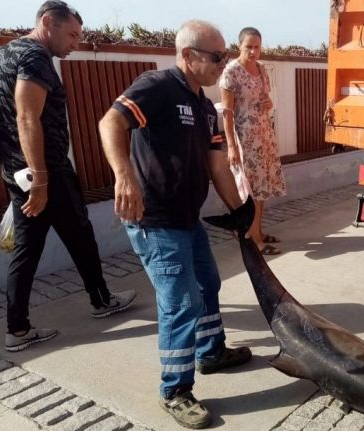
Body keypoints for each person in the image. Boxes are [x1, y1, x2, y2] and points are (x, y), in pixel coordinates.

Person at [98, 20, 254, 430]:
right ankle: (175, 390)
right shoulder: (156, 87)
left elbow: (216, 163)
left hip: (188, 219)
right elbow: (110, 122)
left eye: (225, 55)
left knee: (208, 286)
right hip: (157, 220)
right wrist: (123, 175)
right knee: (181, 304)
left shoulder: (204, 106)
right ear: (188, 56)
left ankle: (211, 353)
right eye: (218, 56)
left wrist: (239, 209)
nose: (224, 63)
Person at [0, 0, 136, 353]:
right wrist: (41, 179)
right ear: (48, 23)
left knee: (33, 246)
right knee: (79, 234)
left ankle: (18, 329)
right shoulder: (35, 58)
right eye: (71, 34)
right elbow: (26, 118)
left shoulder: (3, 55)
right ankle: (100, 301)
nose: (75, 43)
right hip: (45, 170)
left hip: (16, 169)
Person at [220, 27, 287, 255]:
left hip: (264, 137)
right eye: (248, 46)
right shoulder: (231, 72)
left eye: (257, 47)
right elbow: (227, 112)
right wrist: (230, 146)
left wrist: (270, 103)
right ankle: (253, 239)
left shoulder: (261, 69)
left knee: (262, 188)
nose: (253, 51)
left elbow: (265, 98)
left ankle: (258, 230)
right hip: (245, 140)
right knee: (249, 192)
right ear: (239, 46)